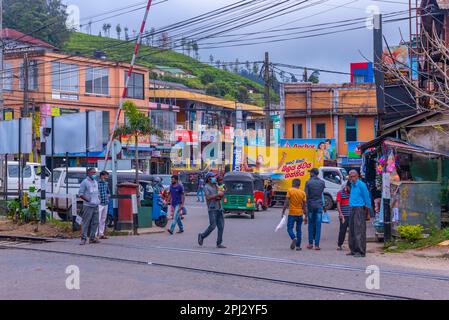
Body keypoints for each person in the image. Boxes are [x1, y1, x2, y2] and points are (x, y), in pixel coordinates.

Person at [198, 173, 226, 249]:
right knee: (213, 226)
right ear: (208, 179)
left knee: (221, 226)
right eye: (212, 177)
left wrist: (222, 192)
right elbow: (208, 197)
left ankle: (219, 243)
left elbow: (221, 193)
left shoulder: (216, 185)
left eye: (214, 177)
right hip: (212, 208)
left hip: (219, 208)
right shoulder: (206, 187)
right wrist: (217, 195)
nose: (213, 178)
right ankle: (202, 235)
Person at [348, 170, 372, 258]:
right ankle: (353, 250)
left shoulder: (361, 185)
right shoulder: (352, 185)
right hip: (352, 208)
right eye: (350, 176)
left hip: (359, 209)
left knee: (359, 231)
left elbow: (367, 198)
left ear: (357, 176)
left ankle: (361, 251)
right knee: (352, 230)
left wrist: (368, 212)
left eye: (353, 176)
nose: (352, 178)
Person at [282, 179, 308, 251]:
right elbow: (304, 206)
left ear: (293, 183)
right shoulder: (303, 193)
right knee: (299, 230)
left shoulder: (290, 190)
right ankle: (298, 246)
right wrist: (306, 216)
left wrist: (283, 211)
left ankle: (294, 238)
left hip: (292, 213)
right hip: (300, 214)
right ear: (299, 185)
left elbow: (286, 202)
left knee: (289, 228)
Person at [79, 168, 101, 245]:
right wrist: (89, 200)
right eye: (93, 172)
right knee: (86, 222)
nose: (94, 174)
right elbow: (80, 194)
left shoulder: (95, 182)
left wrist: (99, 199)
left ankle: (92, 238)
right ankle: (83, 238)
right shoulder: (84, 182)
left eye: (95, 173)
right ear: (88, 173)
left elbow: (97, 192)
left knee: (95, 222)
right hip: (88, 205)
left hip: (96, 205)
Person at [305, 168, 326, 250]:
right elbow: (321, 194)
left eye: (310, 173)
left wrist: (305, 208)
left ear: (313, 173)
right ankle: (317, 245)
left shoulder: (308, 182)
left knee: (310, 225)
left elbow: (306, 195)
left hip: (310, 205)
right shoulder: (322, 182)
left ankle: (310, 243)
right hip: (319, 205)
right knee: (318, 225)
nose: (310, 174)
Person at [337, 182, 351, 251]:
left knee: (352, 231)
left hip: (352, 215)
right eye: (349, 187)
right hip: (344, 215)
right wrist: (340, 214)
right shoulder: (340, 193)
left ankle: (352, 245)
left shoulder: (353, 192)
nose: (350, 189)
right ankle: (340, 244)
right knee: (342, 230)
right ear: (346, 186)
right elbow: (338, 204)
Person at [97, 171, 110, 240]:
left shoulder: (106, 183)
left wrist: (108, 198)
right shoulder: (97, 183)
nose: (107, 177)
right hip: (99, 203)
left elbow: (108, 192)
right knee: (97, 219)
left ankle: (101, 233)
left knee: (103, 219)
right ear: (102, 175)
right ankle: (95, 234)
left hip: (105, 202)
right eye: (106, 175)